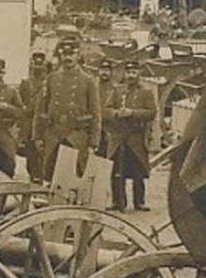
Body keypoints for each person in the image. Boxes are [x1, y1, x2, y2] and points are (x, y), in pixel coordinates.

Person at [39, 36, 101, 181]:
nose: (68, 58)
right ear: (60, 55)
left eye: (71, 54)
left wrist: (93, 143)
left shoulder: (88, 81)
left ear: (78, 55)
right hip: (53, 134)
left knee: (72, 178)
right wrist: (38, 136)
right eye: (65, 54)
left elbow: (96, 114)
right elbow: (41, 109)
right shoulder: (51, 78)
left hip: (76, 137)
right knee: (50, 175)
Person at [103, 61, 157, 211]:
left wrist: (132, 113)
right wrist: (116, 113)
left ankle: (139, 201)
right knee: (115, 171)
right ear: (124, 74)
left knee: (138, 171)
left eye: (134, 72)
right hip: (118, 137)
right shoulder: (117, 91)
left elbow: (152, 112)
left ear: (138, 74)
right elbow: (105, 111)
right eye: (128, 73)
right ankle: (117, 201)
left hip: (136, 138)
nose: (131, 76)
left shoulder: (146, 92)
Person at [23, 51, 49, 182]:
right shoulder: (25, 84)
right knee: (31, 156)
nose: (38, 68)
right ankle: (33, 178)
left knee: (42, 156)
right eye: (35, 64)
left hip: (43, 126)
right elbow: (21, 104)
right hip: (28, 125)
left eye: (40, 64)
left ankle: (40, 179)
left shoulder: (48, 84)